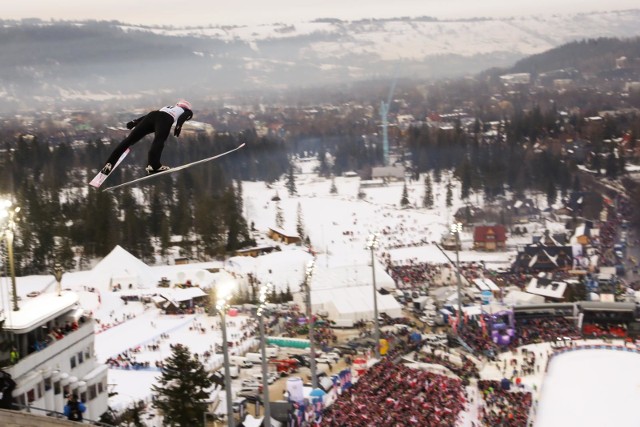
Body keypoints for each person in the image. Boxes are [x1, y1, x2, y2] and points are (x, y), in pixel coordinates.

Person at [100, 100, 193, 176]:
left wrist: (134, 122)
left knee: (129, 140)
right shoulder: (187, 111)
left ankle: (109, 163)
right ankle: (153, 165)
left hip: (152, 116)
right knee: (159, 140)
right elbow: (184, 117)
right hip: (165, 119)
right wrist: (179, 125)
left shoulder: (168, 107)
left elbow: (149, 116)